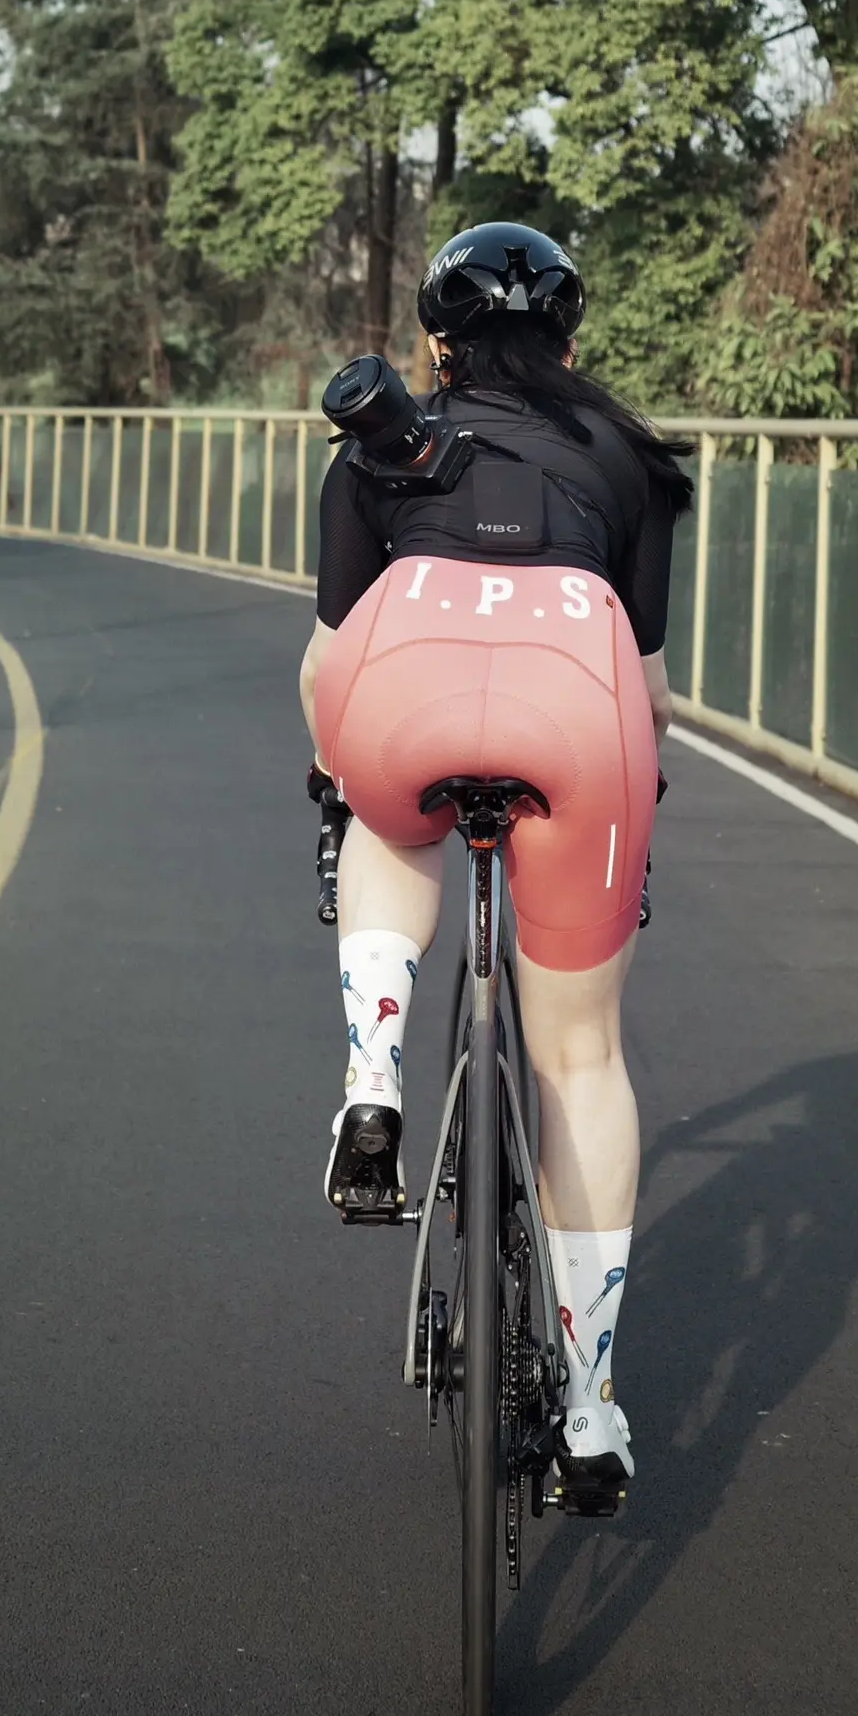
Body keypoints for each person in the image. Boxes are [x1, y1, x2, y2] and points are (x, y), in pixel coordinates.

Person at [298, 222, 690, 1515]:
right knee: (579, 1053)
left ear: (434, 345)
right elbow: (649, 691)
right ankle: (590, 1402)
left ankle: (374, 1071)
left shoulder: (377, 445)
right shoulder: (628, 457)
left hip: (402, 701)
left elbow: (330, 656)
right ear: (572, 342)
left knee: (386, 816)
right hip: (581, 719)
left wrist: (334, 783)